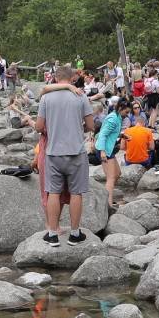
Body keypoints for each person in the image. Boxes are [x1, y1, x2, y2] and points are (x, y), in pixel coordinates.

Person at [35, 67, 95, 246]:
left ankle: (52, 234)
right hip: (76, 151)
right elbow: (91, 125)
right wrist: (78, 127)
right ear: (72, 77)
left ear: (55, 78)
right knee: (76, 193)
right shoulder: (80, 96)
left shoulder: (46, 97)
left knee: (53, 192)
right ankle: (75, 234)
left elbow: (39, 127)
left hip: (53, 152)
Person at [96, 100, 125, 211]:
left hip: (109, 149)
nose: (127, 114)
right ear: (120, 108)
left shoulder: (118, 117)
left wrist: (122, 135)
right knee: (111, 178)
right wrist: (102, 151)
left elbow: (113, 132)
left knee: (117, 174)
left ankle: (107, 196)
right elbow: (103, 134)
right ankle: (108, 206)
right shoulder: (113, 118)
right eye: (126, 112)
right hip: (104, 150)